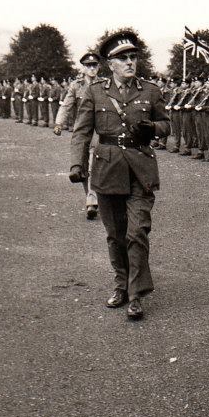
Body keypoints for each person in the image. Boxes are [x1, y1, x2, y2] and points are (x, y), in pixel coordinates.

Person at [70, 31, 169, 321]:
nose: (130, 62)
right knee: (115, 235)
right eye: (123, 58)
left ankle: (136, 294)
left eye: (133, 57)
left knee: (136, 231)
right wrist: (77, 165)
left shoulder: (150, 91)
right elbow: (82, 131)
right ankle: (121, 284)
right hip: (107, 168)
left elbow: (166, 125)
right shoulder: (95, 92)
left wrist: (152, 128)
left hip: (140, 168)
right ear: (110, 63)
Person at [56, 52, 103, 220]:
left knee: (93, 162)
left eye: (94, 65)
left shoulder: (104, 84)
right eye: (88, 66)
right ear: (83, 68)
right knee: (82, 166)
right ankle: (90, 197)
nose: (92, 68)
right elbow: (66, 105)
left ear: (99, 67)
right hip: (81, 129)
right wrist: (58, 123)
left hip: (99, 129)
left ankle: (92, 199)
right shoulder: (76, 86)